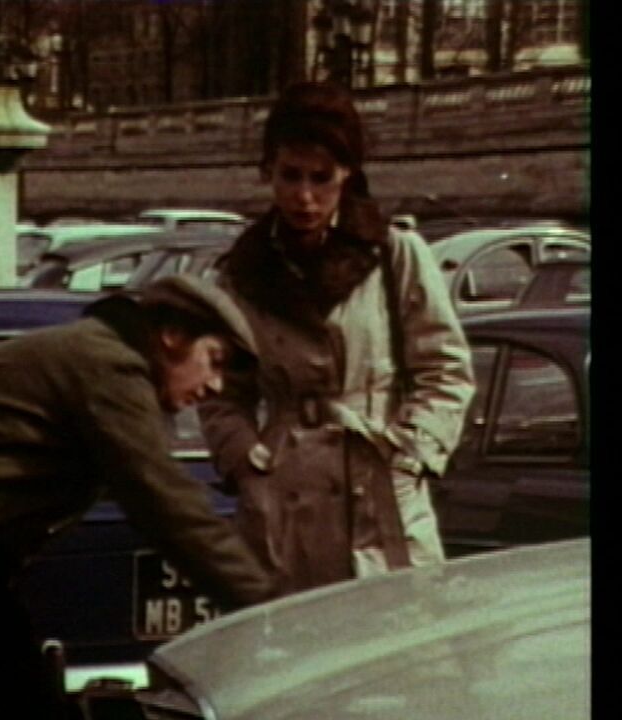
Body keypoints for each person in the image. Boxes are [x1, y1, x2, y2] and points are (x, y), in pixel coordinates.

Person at [0, 275, 275, 720]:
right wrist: (266, 606)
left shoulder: (105, 356)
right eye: (213, 361)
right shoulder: (109, 365)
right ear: (172, 336)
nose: (215, 385)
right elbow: (165, 502)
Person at [199, 81, 476, 595]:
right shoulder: (243, 272)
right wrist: (244, 459)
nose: (304, 197)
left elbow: (446, 369)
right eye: (290, 175)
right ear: (268, 171)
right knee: (289, 637)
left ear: (347, 174)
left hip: (378, 486)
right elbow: (220, 393)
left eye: (321, 178)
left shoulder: (394, 254)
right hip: (282, 496)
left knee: (396, 631)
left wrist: (411, 452)